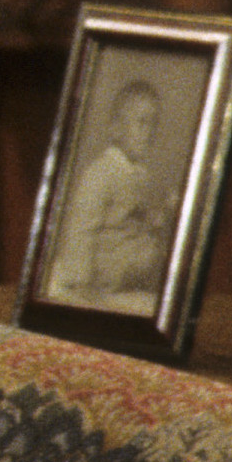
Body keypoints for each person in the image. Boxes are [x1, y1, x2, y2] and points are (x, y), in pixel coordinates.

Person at [46, 80, 171, 313]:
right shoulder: (101, 173)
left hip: (128, 265)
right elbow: (81, 230)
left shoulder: (139, 173)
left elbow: (135, 218)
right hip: (101, 271)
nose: (150, 132)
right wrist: (80, 281)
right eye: (142, 122)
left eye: (154, 124)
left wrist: (158, 218)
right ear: (115, 128)